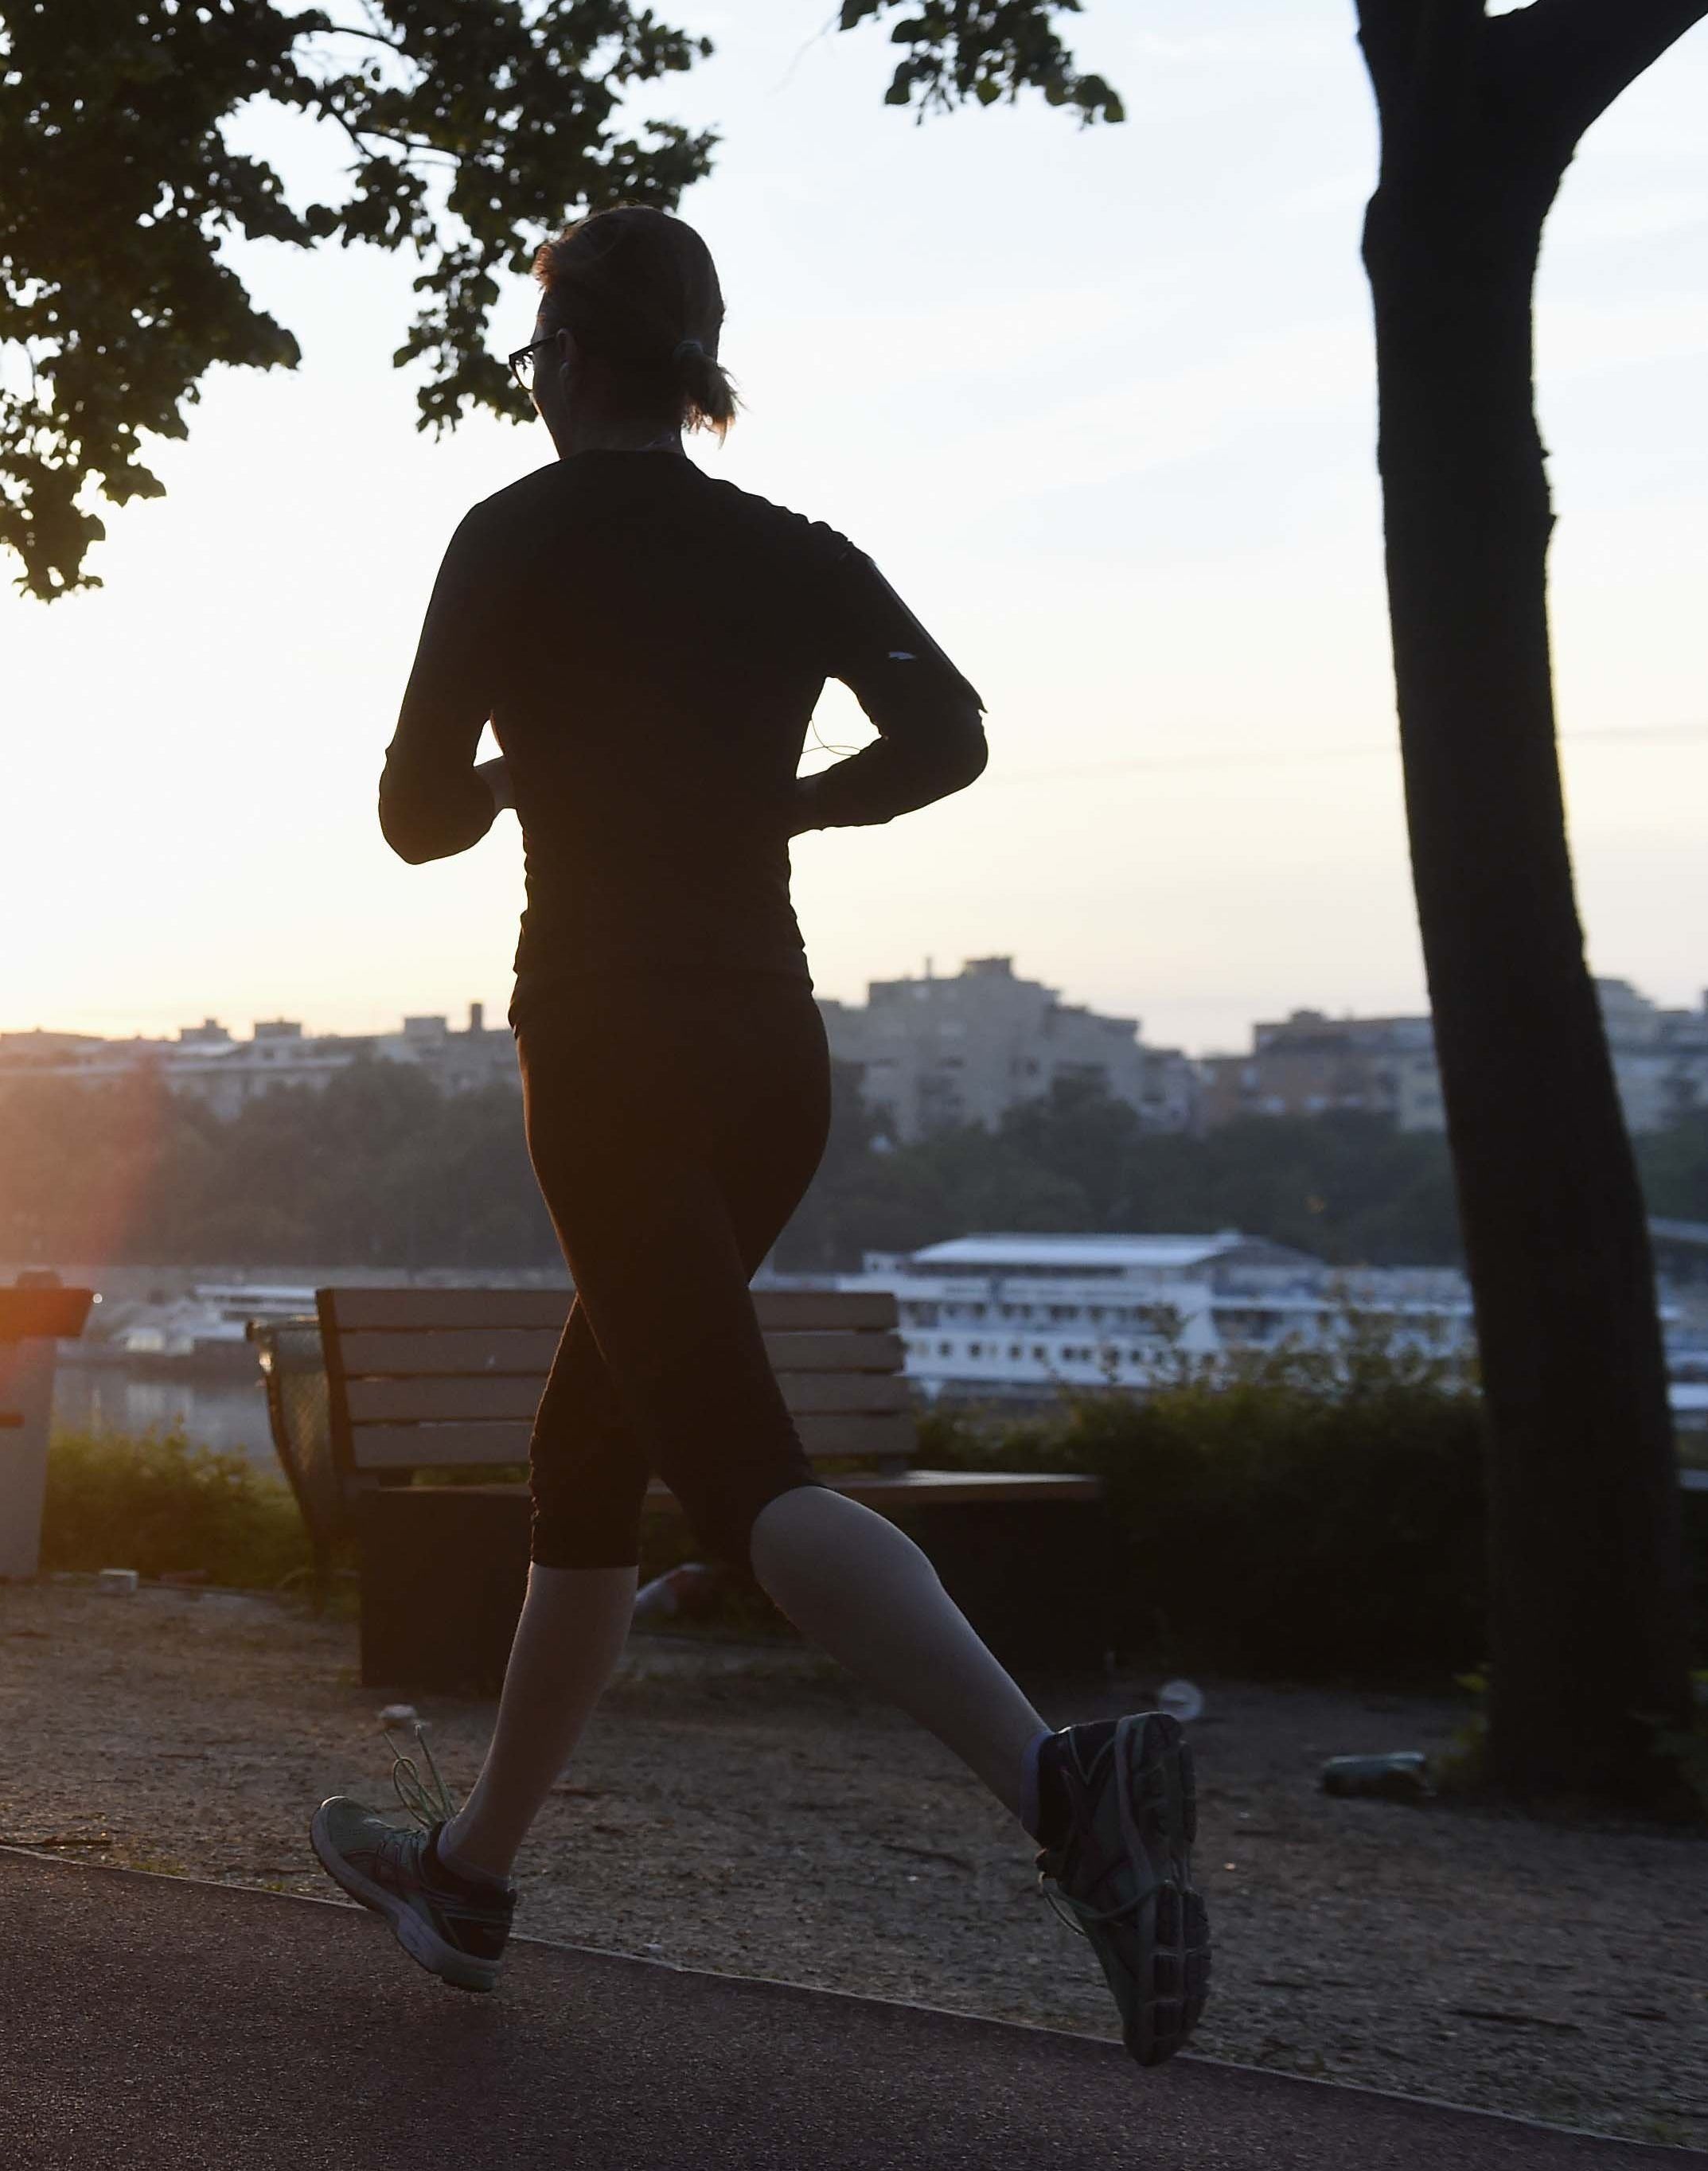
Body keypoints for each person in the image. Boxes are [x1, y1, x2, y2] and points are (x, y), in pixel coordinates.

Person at [306, 205, 1208, 2067]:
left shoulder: (508, 533)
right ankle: (466, 1867)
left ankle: (1062, 1789)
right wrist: (779, 802)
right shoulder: (794, 552)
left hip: (608, 1043)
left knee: (739, 1476)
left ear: (559, 363)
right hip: (771, 1054)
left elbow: (407, 816)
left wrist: (506, 776)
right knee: (585, 1463)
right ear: (699, 366)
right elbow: (946, 735)